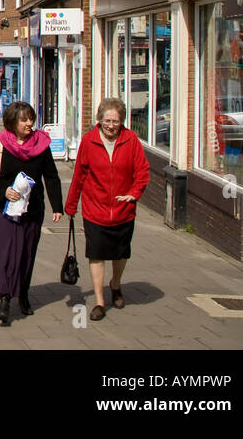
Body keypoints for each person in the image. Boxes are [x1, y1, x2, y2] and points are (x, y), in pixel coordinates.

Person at [65, 97, 151, 321]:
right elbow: (80, 175)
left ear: (121, 121)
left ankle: (116, 283)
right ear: (99, 120)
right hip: (95, 209)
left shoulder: (130, 140)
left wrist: (134, 194)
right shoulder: (89, 141)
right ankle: (100, 301)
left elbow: (142, 171)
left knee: (121, 254)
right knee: (96, 254)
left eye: (116, 121)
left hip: (123, 210)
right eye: (107, 121)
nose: (111, 125)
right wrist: (71, 204)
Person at [0, 101, 63, 326]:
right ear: (12, 122)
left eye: (31, 119)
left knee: (26, 253)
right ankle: (5, 300)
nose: (29, 123)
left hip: (33, 210)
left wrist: (58, 207)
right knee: (4, 254)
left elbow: (52, 177)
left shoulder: (41, 145)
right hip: (5, 210)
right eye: (24, 119)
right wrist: (3, 191)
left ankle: (24, 295)